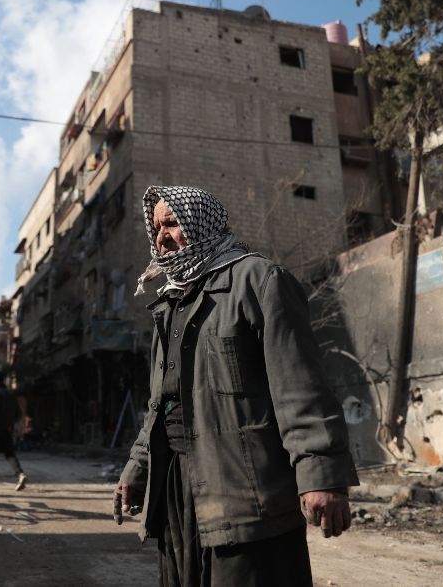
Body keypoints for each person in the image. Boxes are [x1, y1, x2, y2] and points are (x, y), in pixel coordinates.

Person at [114, 186, 359, 586]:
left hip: (247, 491)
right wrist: (136, 469)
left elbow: (301, 385)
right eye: (156, 227)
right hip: (177, 490)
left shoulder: (259, 280)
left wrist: (323, 477)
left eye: (172, 223)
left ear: (199, 223)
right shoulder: (169, 303)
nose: (161, 236)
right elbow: (161, 403)